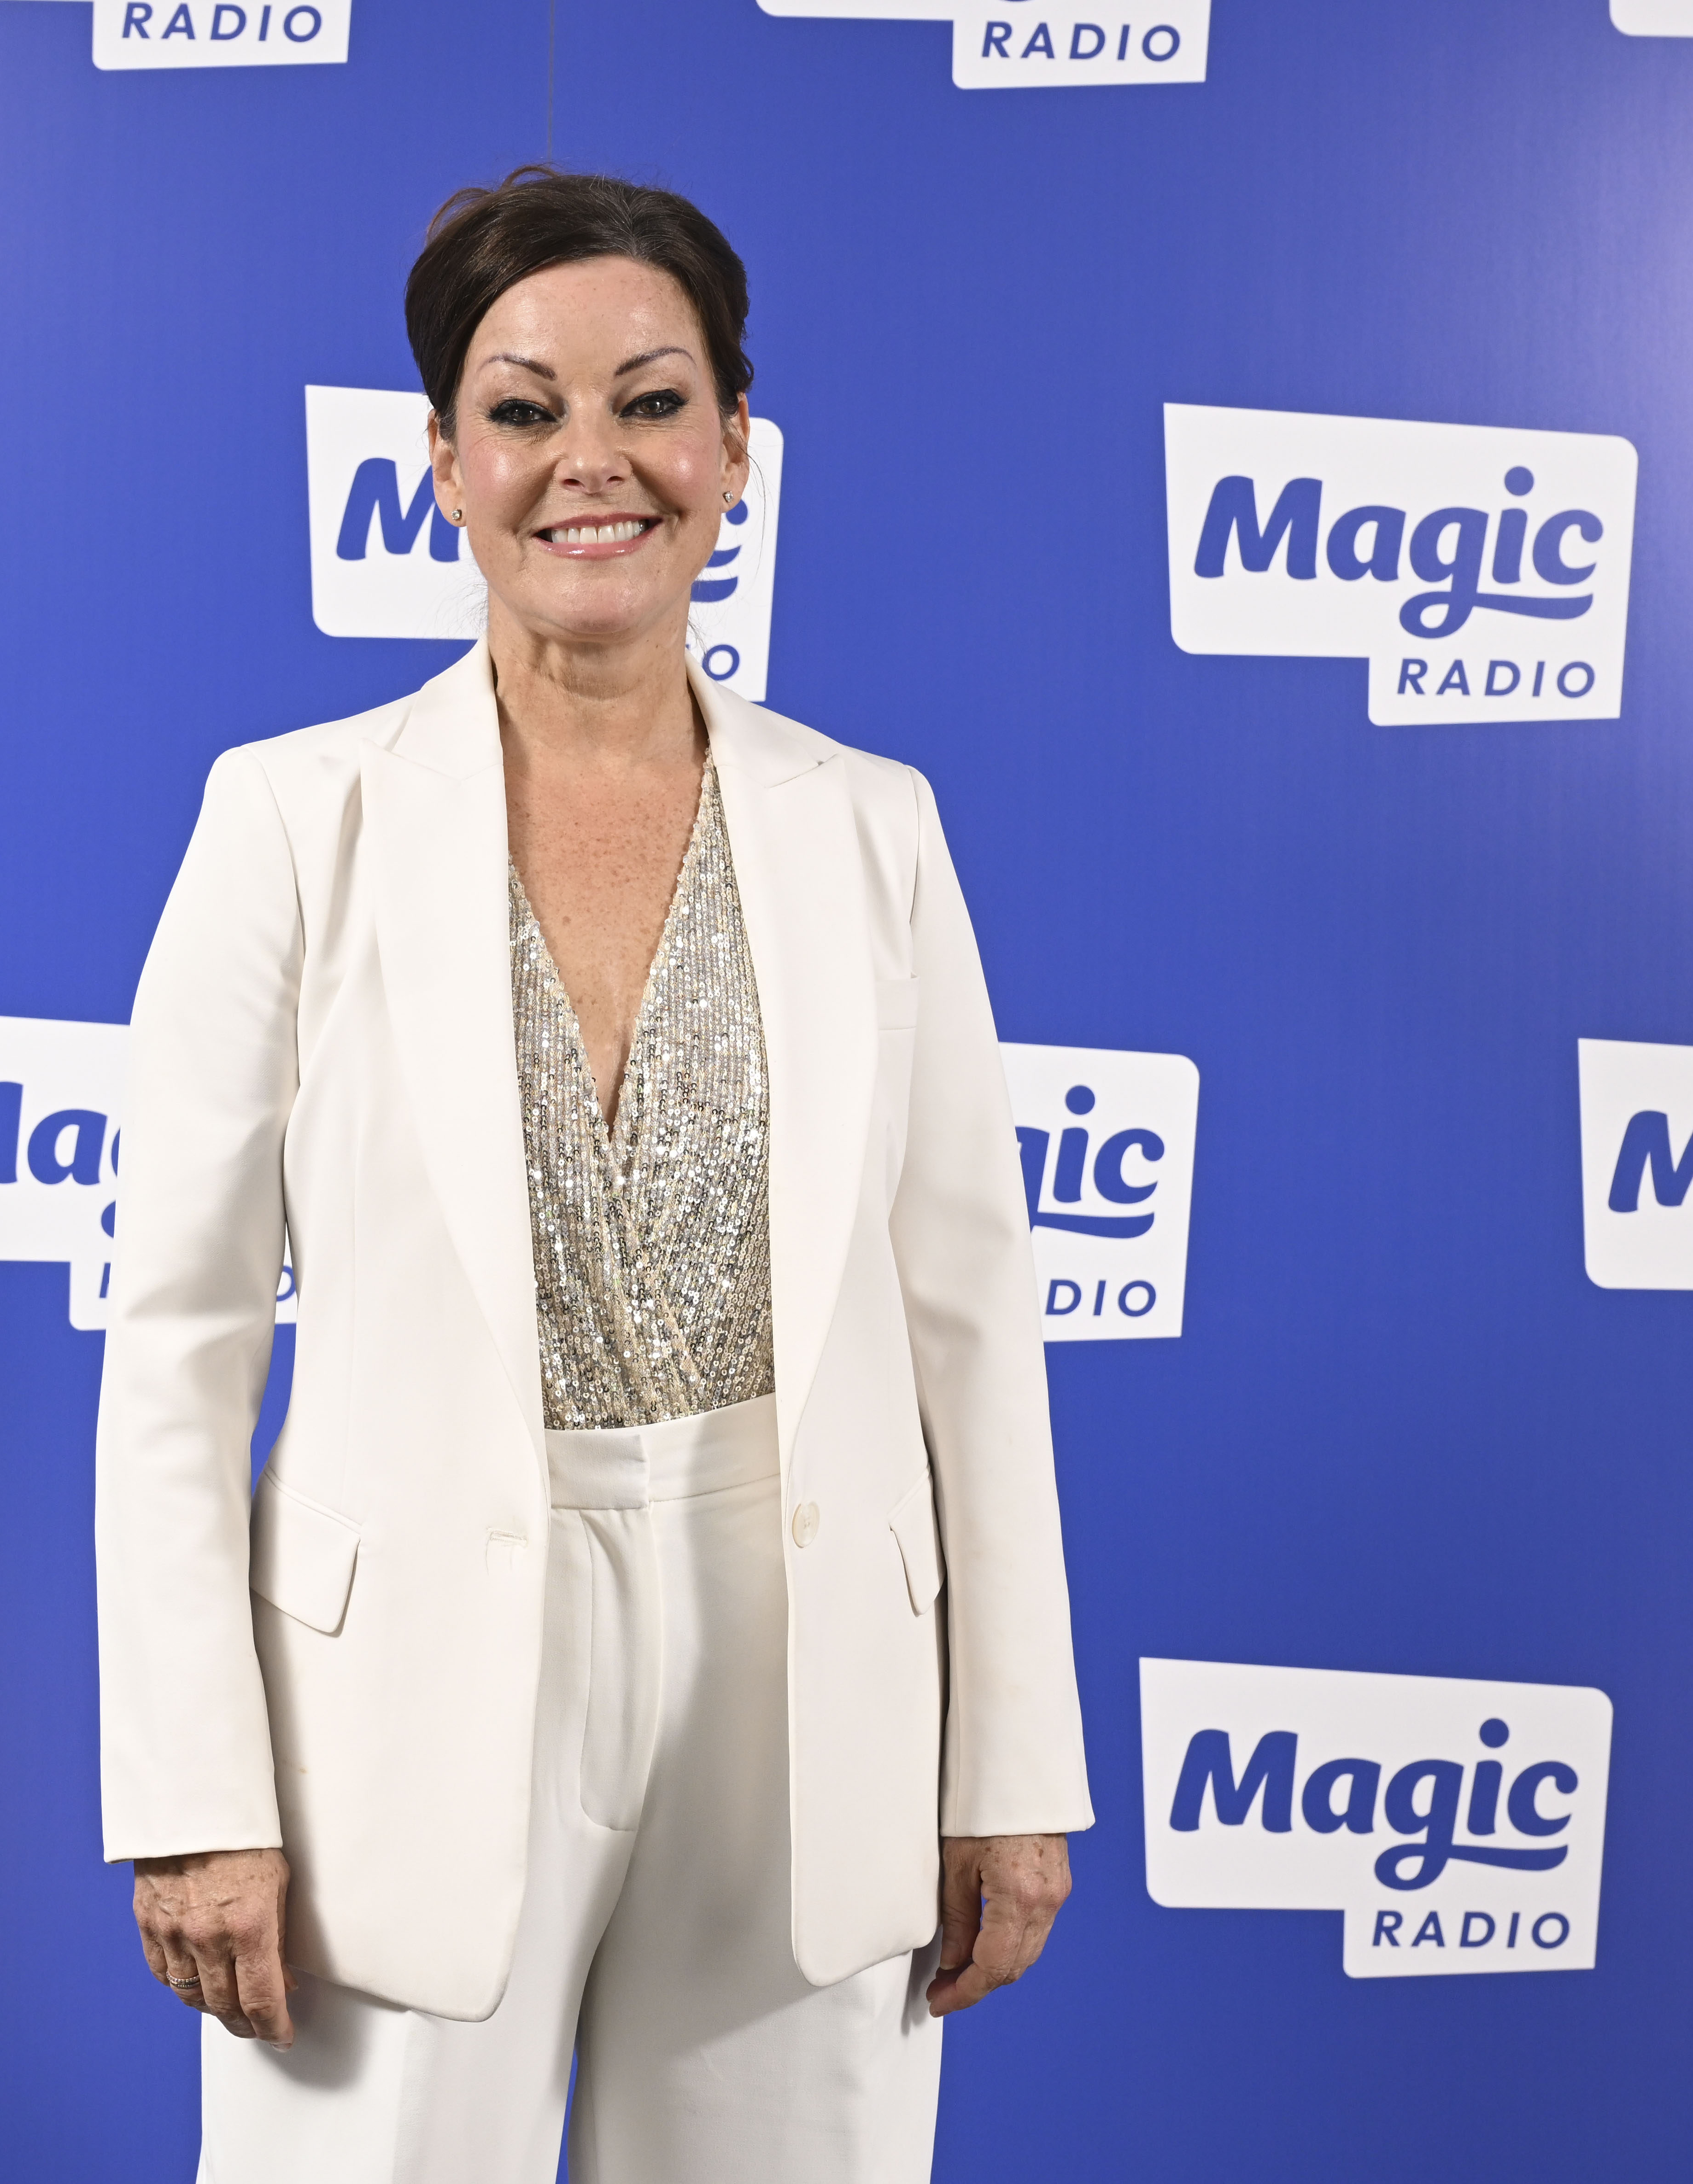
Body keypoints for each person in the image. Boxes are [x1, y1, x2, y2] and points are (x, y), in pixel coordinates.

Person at [95, 167, 1092, 2184]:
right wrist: (196, 1790)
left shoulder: (875, 829)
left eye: (651, 402)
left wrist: (1009, 1759)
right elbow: (179, 1344)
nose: (593, 462)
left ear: (735, 445)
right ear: (441, 463)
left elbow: (974, 1326)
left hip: (815, 1680)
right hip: (394, 1708)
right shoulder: (291, 821)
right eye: (523, 410)